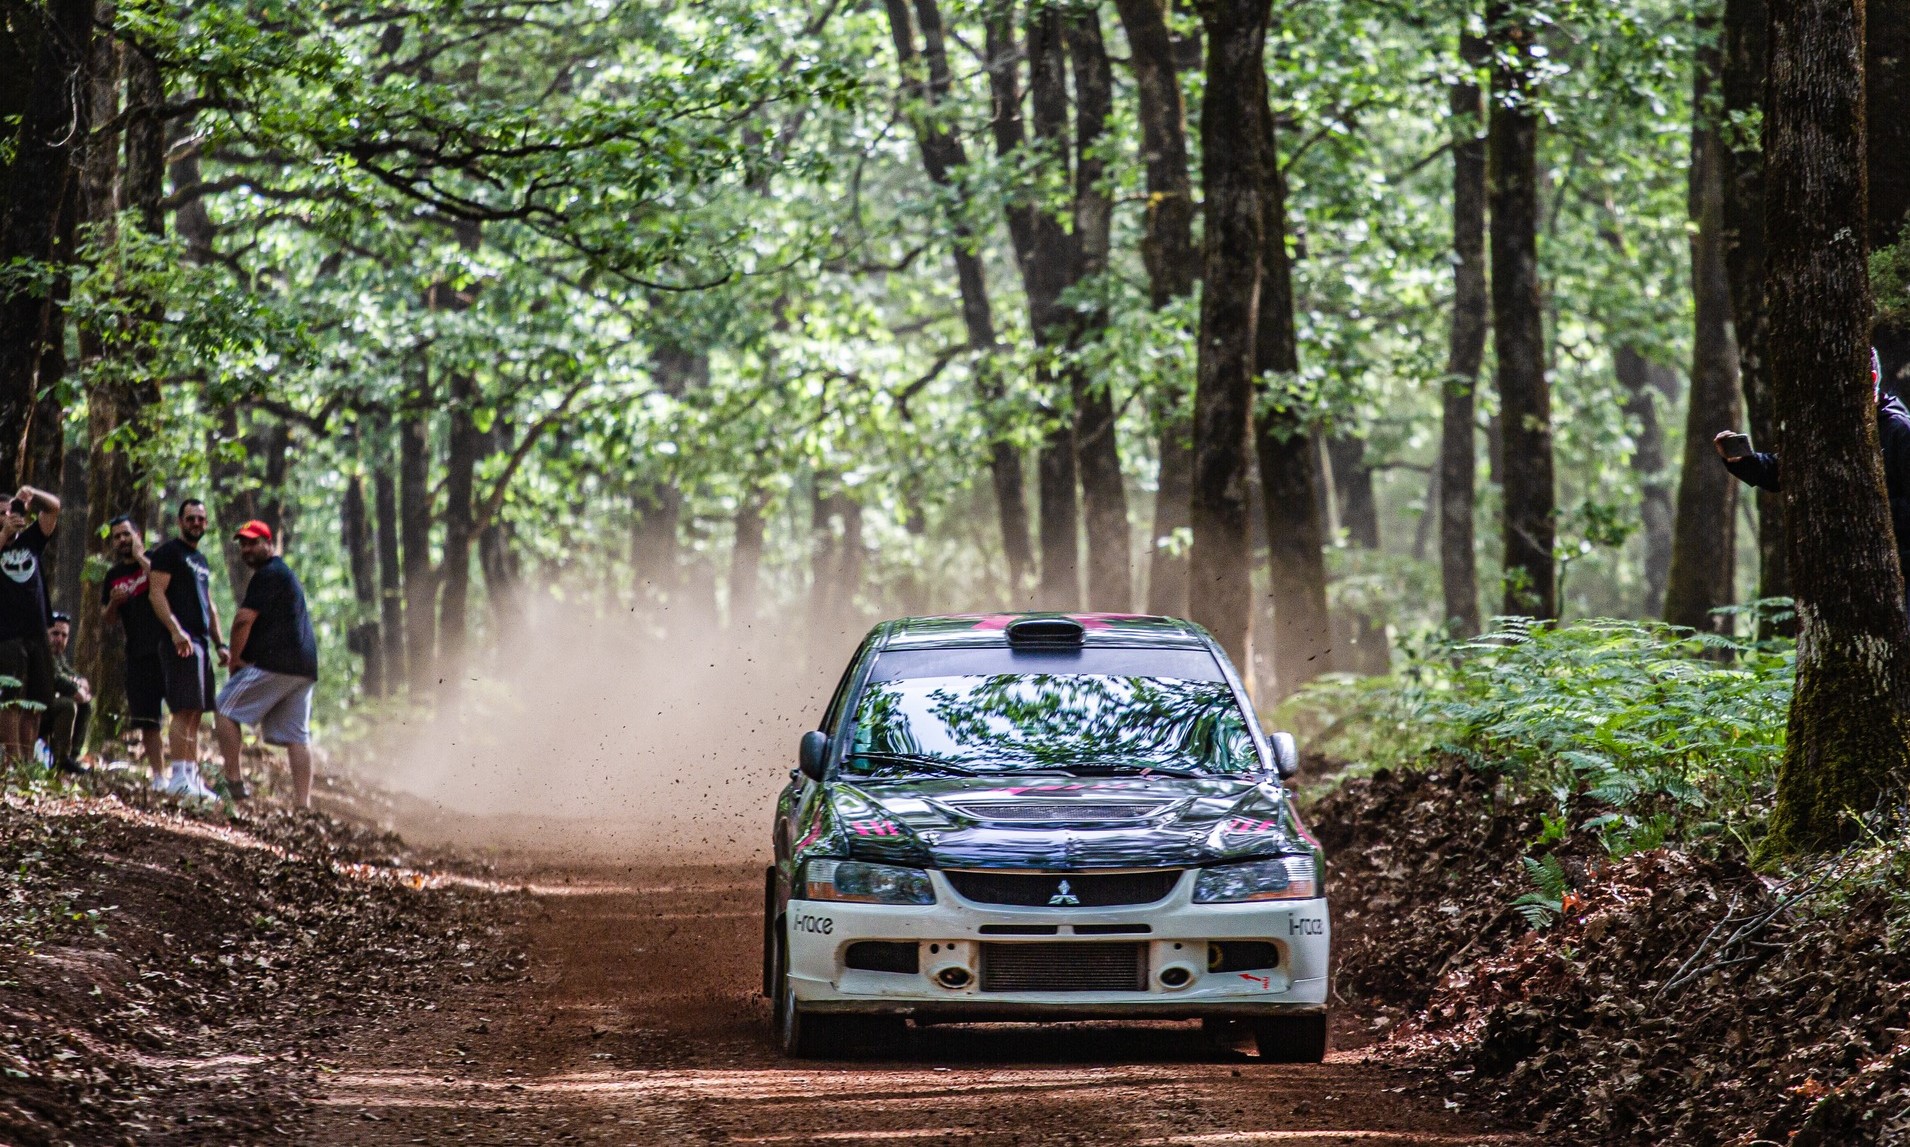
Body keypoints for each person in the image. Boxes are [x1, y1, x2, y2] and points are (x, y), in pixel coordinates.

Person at [1716, 347, 1910, 615]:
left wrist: (1866, 509)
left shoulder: (1899, 431)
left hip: (1898, 573)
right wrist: (1746, 463)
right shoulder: (1837, 427)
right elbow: (1799, 472)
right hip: (1845, 575)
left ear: (1872, 377)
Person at [215, 521, 317, 807]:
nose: (247, 549)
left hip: (278, 663)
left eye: (253, 542)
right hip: (303, 667)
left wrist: (235, 660)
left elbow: (242, 621)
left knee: (224, 708)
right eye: (243, 544)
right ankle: (303, 805)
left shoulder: (269, 574)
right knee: (298, 735)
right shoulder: (282, 574)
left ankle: (233, 783)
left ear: (269, 544)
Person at [146, 500, 226, 800]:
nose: (196, 523)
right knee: (181, 708)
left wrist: (220, 644)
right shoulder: (169, 553)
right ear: (180, 521)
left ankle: (191, 776)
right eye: (191, 518)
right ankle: (178, 776)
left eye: (201, 519)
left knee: (195, 710)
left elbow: (210, 605)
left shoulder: (200, 559)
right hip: (179, 641)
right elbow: (156, 594)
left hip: (201, 643)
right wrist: (175, 630)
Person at [100, 515, 167, 787]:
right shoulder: (113, 576)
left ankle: (187, 772)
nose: (122, 540)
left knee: (183, 710)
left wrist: (141, 558)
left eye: (126, 534)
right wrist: (114, 604)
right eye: (116, 537)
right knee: (147, 717)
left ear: (138, 534)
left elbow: (163, 586)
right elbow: (107, 619)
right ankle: (160, 776)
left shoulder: (155, 560)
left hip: (167, 646)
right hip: (138, 652)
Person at [0, 485, 60, 762]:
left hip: (37, 631)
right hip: (7, 634)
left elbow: (54, 508)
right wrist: (4, 535)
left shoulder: (31, 541)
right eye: (1, 514)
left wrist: (32, 494)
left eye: (10, 512)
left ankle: (27, 761)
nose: (7, 517)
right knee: (11, 698)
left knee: (35, 701)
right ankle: (11, 761)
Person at [44, 612, 91, 775]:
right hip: (32, 712)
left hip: (46, 708)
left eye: (64, 635)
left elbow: (70, 674)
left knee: (84, 704)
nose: (59, 639)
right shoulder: (43, 652)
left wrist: (80, 683)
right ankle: (61, 759)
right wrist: (75, 689)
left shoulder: (59, 656)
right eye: (55, 633)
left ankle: (73, 756)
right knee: (67, 704)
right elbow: (56, 678)